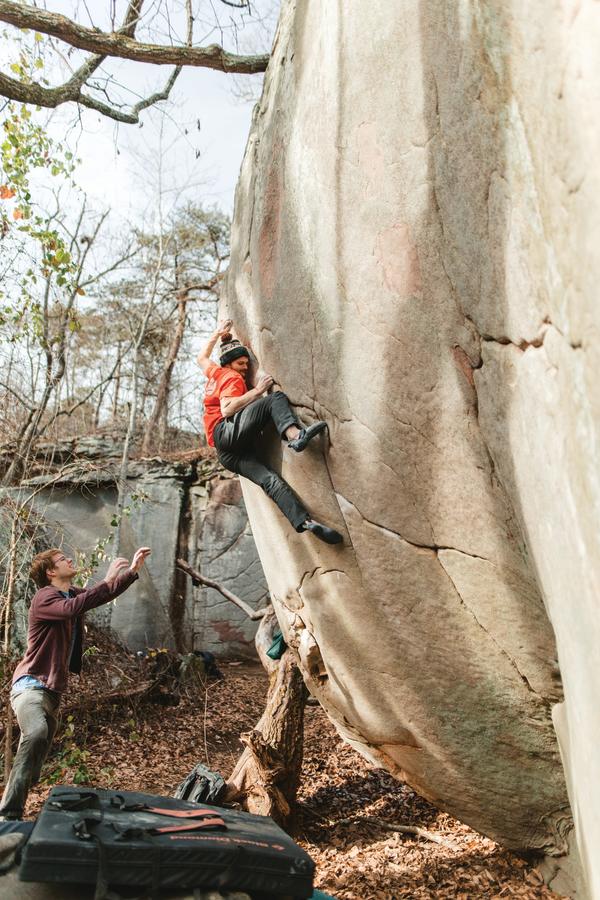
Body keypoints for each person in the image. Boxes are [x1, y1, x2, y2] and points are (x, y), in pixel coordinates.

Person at [0, 546, 151, 821]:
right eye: (62, 559)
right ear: (51, 571)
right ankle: (8, 817)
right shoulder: (45, 598)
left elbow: (100, 596)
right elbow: (75, 608)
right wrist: (106, 579)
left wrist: (132, 571)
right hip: (29, 685)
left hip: (51, 692)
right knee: (35, 734)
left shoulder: (69, 593)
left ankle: (20, 790)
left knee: (34, 756)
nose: (70, 559)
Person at [197, 321, 342, 545]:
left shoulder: (215, 373)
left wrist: (217, 334)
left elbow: (201, 358)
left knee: (269, 479)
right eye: (241, 363)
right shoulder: (232, 378)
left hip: (226, 454)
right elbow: (226, 409)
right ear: (229, 363)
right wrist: (258, 390)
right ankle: (295, 436)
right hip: (226, 432)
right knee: (274, 399)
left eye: (246, 363)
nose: (245, 368)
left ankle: (304, 522)